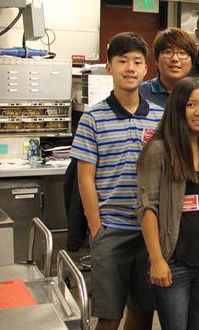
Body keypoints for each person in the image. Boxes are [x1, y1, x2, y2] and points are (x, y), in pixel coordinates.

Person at [70, 32, 161, 330]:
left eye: (137, 61)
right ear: (109, 67)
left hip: (150, 232)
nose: (130, 68)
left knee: (144, 311)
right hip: (111, 231)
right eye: (122, 61)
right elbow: (85, 178)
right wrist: (97, 230)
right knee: (108, 316)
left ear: (146, 68)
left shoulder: (160, 117)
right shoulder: (93, 118)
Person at [136, 77, 199, 330]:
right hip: (173, 262)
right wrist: (157, 260)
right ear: (177, 109)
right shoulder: (159, 150)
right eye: (191, 105)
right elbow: (147, 208)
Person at [140, 27, 197, 108]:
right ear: (156, 60)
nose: (175, 59)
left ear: (192, 62)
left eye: (182, 53)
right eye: (168, 52)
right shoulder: (139, 94)